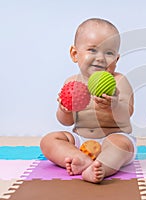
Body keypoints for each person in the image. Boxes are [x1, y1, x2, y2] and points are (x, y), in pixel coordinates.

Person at [40, 18, 136, 184]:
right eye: (92, 50)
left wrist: (113, 105)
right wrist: (65, 109)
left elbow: (127, 114)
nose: (100, 58)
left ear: (117, 59)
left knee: (121, 145)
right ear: (75, 54)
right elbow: (65, 121)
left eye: (109, 53)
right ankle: (79, 158)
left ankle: (101, 167)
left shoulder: (119, 81)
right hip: (81, 141)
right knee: (49, 140)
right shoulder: (72, 83)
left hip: (112, 137)